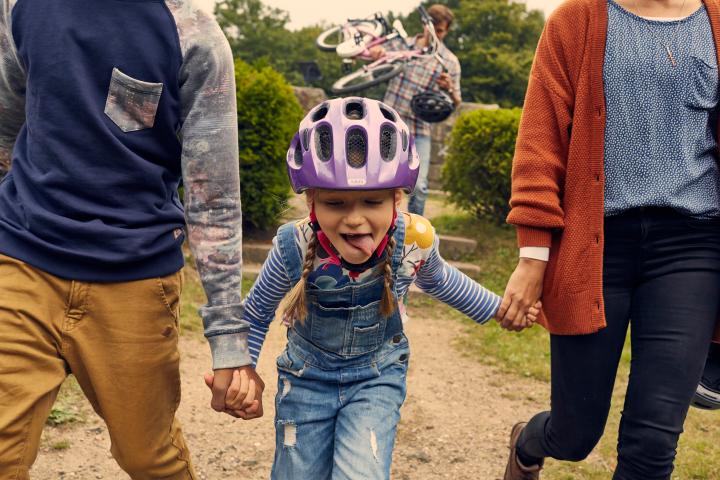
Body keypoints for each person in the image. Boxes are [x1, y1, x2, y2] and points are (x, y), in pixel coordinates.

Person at [0, 0, 260, 477]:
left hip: (134, 277)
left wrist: (229, 343)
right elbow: (7, 122)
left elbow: (214, 197)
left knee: (149, 457)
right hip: (22, 259)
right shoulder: (19, 7)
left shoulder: (194, 35)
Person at [213, 97, 538, 479]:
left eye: (372, 201)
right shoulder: (295, 245)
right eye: (335, 203)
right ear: (312, 201)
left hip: (375, 377)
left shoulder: (414, 240)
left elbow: (442, 281)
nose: (355, 219)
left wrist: (498, 308)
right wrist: (242, 370)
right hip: (305, 380)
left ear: (397, 198)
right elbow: (255, 311)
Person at [499, 0, 720, 478]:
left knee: (653, 441)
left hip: (691, 246)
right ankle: (528, 440)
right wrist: (532, 257)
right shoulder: (576, 20)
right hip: (595, 247)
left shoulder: (716, 21)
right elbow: (540, 143)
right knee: (574, 436)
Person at [372, 4, 461, 216]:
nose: (436, 35)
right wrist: (375, 54)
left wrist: (448, 88)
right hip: (387, 124)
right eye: (433, 29)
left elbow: (457, 101)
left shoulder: (449, 61)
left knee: (419, 186)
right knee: (378, 180)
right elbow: (374, 60)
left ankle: (414, 231)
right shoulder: (402, 45)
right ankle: (381, 227)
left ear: (446, 31)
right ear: (425, 25)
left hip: (419, 130)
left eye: (441, 31)